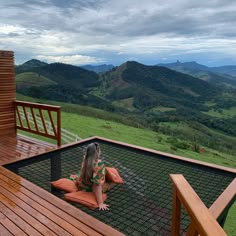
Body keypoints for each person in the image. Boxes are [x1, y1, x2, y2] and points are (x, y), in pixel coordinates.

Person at [76, 142, 110, 211]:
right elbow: (97, 185)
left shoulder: (85, 158)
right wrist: (100, 203)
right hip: (91, 188)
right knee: (112, 182)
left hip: (82, 183)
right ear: (97, 152)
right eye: (99, 150)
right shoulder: (99, 164)